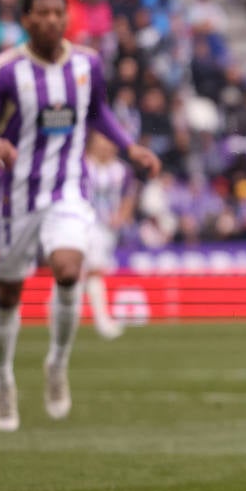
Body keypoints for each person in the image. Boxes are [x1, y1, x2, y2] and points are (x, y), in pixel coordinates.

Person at [0, 0, 161, 433]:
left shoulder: (87, 63)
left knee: (69, 270)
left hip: (68, 190)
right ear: (26, 19)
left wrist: (131, 150)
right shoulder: (6, 72)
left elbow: (98, 112)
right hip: (15, 198)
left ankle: (56, 364)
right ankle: (3, 380)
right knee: (7, 296)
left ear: (66, 18)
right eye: (41, 13)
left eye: (57, 13)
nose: (51, 20)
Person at [84, 132, 136, 340]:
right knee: (94, 270)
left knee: (85, 273)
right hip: (84, 223)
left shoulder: (122, 170)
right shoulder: (81, 165)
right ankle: (102, 321)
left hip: (108, 228)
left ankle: (56, 310)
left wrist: (122, 216)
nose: (107, 146)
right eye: (102, 141)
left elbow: (128, 196)